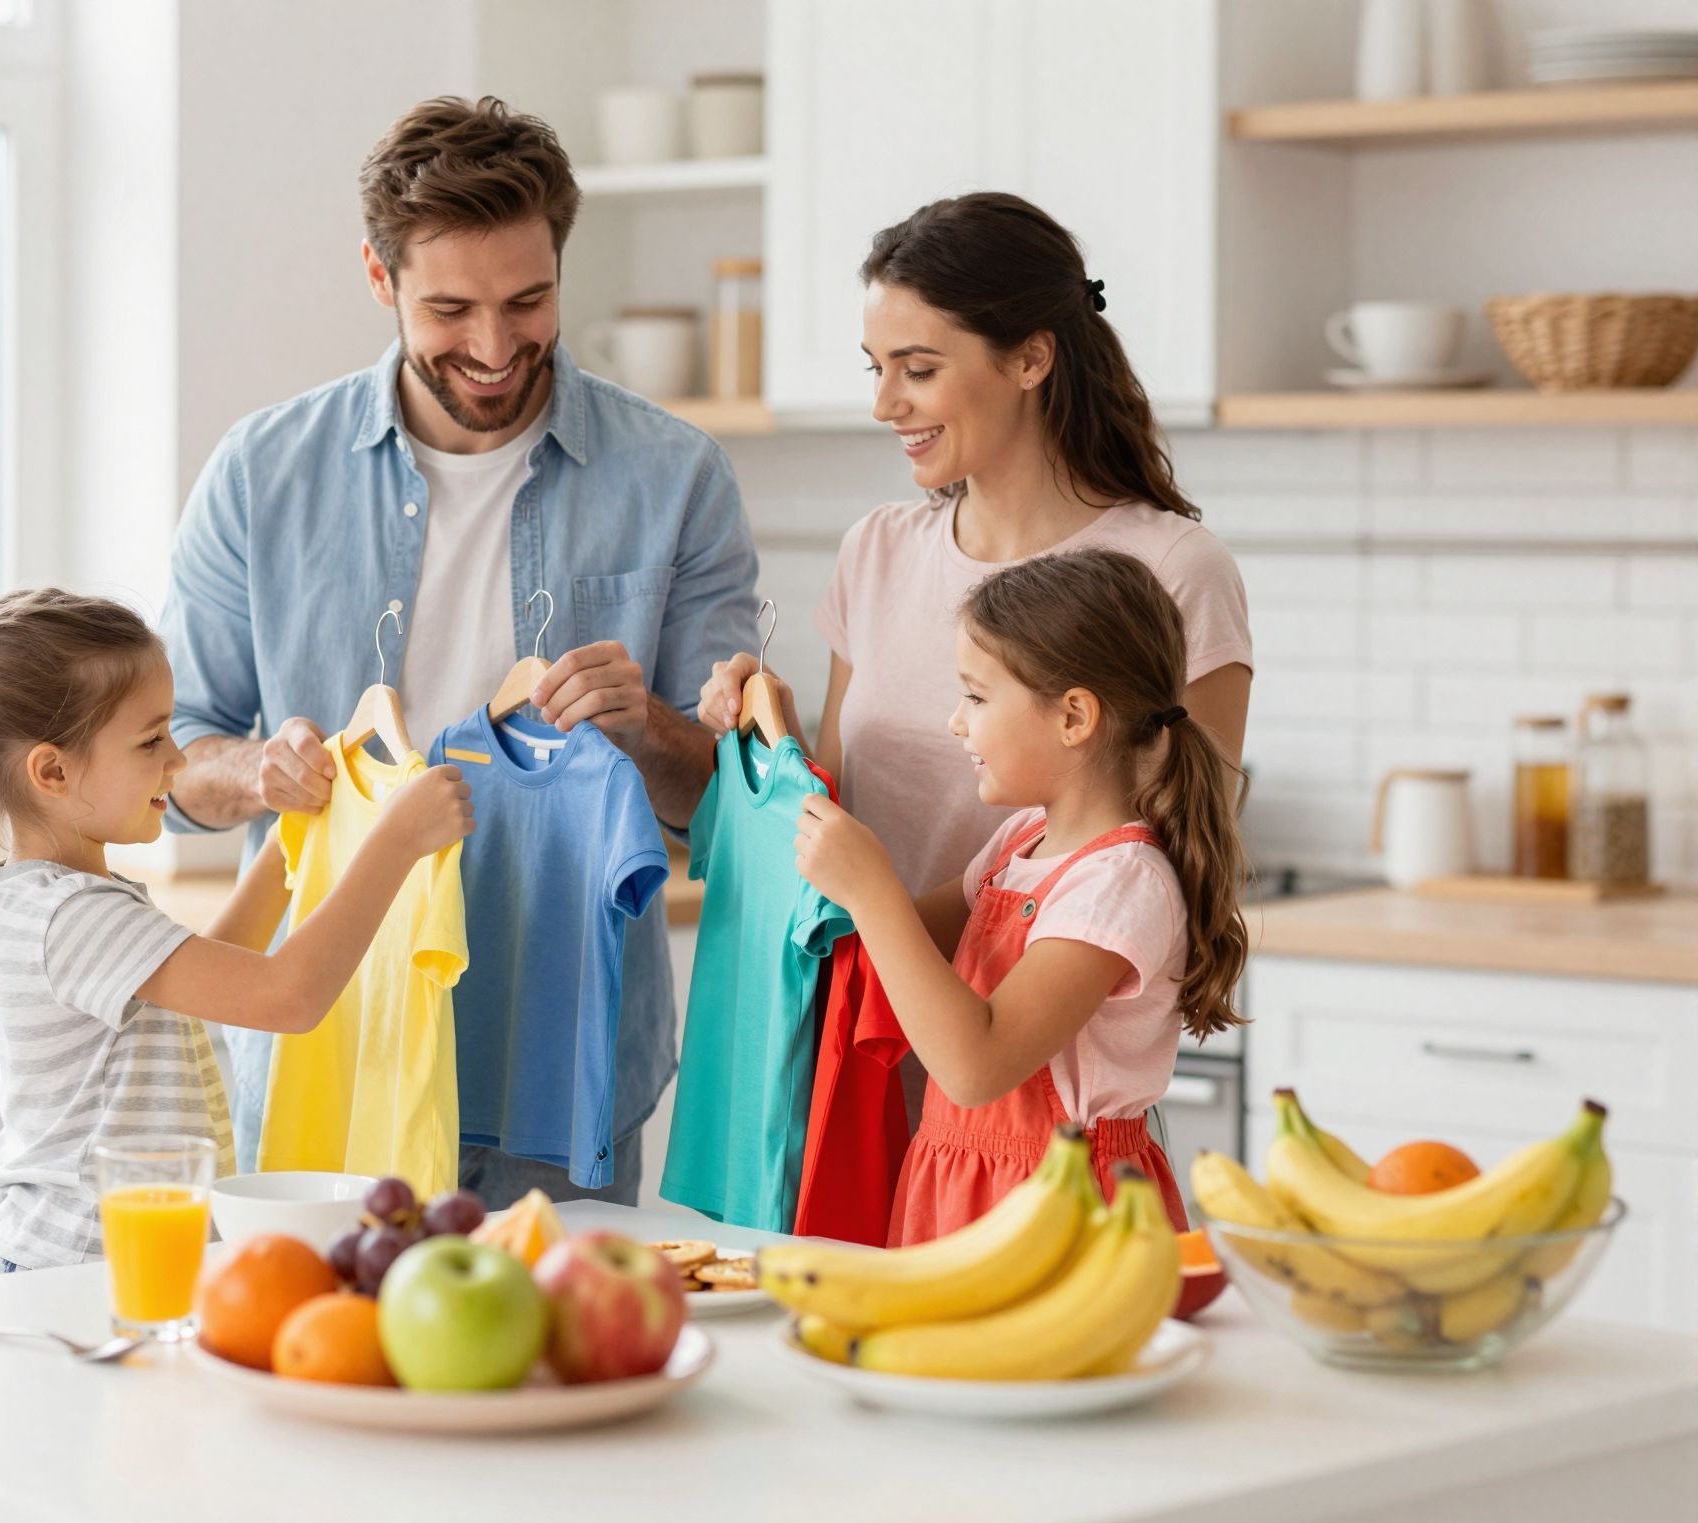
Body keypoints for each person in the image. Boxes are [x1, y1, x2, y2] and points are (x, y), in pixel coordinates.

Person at [160, 97, 758, 1203]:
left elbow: (728, 811)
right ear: (380, 281)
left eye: (528, 302)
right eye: (450, 309)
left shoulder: (676, 478)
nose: (493, 348)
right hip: (330, 1041)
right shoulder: (260, 472)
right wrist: (251, 771)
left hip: (560, 1043)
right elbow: (167, 762)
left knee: (547, 1370)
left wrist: (650, 727)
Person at [700, 190, 1252, 1123]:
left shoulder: (1171, 570)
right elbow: (840, 820)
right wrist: (767, 739)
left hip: (1032, 1095)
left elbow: (1173, 856)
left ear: (1032, 356)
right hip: (855, 1068)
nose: (884, 404)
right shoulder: (876, 551)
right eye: (876, 368)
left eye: (917, 369)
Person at [0, 587, 470, 1272]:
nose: (178, 761)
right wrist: (395, 841)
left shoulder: (70, 901)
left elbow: (224, 963)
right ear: (53, 770)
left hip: (101, 1265)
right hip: (72, 1273)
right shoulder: (70, 916)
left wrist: (291, 838)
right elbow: (287, 996)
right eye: (151, 739)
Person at [791, 549, 1250, 1243]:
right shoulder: (1019, 842)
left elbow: (978, 1066)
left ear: (1074, 717)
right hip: (954, 1189)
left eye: (976, 696)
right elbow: (890, 953)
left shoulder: (1122, 882)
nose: (956, 721)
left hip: (1062, 1211)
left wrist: (871, 885)